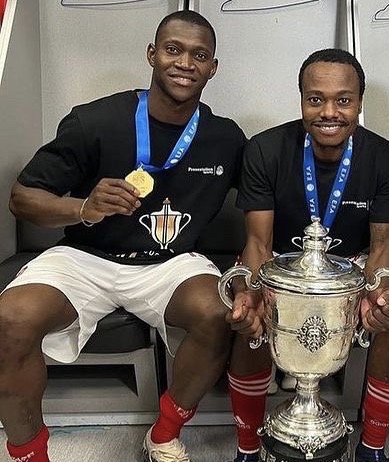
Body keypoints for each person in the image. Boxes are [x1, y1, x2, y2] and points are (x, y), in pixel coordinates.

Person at [0, 10, 246, 462]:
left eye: (200, 55)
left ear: (213, 67)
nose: (185, 63)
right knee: (10, 319)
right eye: (173, 50)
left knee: (217, 311)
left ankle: (164, 433)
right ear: (152, 54)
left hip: (170, 262)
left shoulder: (226, 138)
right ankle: (28, 454)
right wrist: (81, 207)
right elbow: (23, 197)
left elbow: (264, 198)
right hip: (86, 255)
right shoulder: (94, 120)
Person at [224, 48, 389, 462]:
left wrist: (376, 295)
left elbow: (383, 247)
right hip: (281, 266)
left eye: (343, 100)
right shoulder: (264, 149)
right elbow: (257, 244)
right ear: (301, 100)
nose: (329, 111)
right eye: (316, 99)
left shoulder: (385, 157)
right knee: (247, 313)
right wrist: (256, 294)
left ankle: (372, 447)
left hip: (353, 266)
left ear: (360, 101)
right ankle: (248, 446)